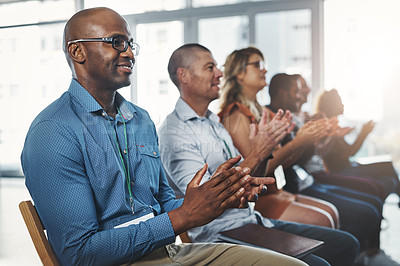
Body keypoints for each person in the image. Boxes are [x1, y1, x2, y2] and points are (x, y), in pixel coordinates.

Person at [20, 8, 310, 266]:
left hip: (167, 252)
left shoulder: (140, 119)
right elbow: (80, 254)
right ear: (77, 52)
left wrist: (217, 199)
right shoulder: (52, 132)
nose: (130, 53)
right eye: (116, 42)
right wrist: (182, 217)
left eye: (131, 44)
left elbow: (163, 201)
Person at [159, 43, 359, 266]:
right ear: (183, 75)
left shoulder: (213, 121)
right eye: (210, 67)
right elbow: (206, 201)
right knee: (320, 263)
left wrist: (262, 155)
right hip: (219, 236)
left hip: (251, 221)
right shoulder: (174, 131)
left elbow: (249, 174)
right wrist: (258, 152)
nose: (219, 73)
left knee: (346, 244)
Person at [266, 73, 398, 265]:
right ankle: (364, 253)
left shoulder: (297, 118)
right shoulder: (275, 118)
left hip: (309, 179)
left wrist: (320, 138)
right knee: (368, 203)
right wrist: (313, 139)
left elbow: (308, 155)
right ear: (283, 93)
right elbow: (296, 161)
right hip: (306, 181)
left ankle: (367, 252)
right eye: (297, 91)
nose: (301, 96)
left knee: (376, 190)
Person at [315, 88, 400, 201]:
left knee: (390, 179)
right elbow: (348, 153)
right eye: (339, 101)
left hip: (348, 166)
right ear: (331, 105)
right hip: (342, 171)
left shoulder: (334, 125)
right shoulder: (327, 126)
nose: (343, 104)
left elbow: (349, 151)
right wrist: (363, 134)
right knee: (388, 166)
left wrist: (363, 133)